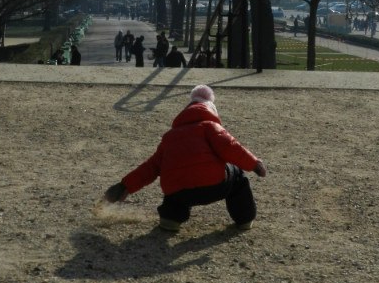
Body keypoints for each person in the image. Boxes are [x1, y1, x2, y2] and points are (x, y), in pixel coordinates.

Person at [104, 85, 266, 232]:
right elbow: (231, 147)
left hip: (179, 193)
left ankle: (170, 218)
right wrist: (254, 163)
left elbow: (151, 167)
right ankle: (244, 220)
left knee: (175, 187)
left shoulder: (169, 138)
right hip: (213, 185)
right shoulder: (210, 126)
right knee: (237, 177)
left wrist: (124, 185)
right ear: (211, 110)